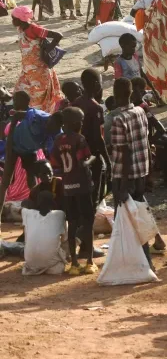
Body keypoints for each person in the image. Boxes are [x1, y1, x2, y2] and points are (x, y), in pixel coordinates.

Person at [109, 78, 154, 267]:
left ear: (115, 94)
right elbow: (146, 141)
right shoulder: (140, 111)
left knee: (128, 220)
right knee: (138, 215)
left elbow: (124, 153)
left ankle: (143, 262)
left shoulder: (118, 119)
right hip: (141, 172)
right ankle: (141, 259)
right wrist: (149, 174)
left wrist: (123, 186)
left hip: (124, 175)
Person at [50, 107, 97, 275]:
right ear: (77, 123)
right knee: (88, 221)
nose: (83, 124)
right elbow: (84, 160)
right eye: (82, 121)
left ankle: (74, 264)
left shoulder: (58, 140)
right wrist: (94, 158)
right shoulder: (80, 139)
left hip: (68, 187)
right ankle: (90, 261)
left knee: (73, 222)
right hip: (82, 186)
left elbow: (55, 164)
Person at [131, 0, 167, 105]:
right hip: (164, 42)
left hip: (151, 40)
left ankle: (154, 96)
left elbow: (133, 13)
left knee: (151, 68)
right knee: (164, 68)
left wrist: (147, 15)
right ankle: (165, 97)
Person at [72, 68, 110, 218]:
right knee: (93, 193)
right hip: (93, 155)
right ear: (96, 84)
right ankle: (87, 228)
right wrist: (107, 160)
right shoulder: (96, 108)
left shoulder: (75, 103)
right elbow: (98, 138)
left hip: (77, 154)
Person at [10, 7, 64, 113]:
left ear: (20, 19)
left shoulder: (33, 29)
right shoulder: (21, 28)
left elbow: (58, 35)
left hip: (39, 71)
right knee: (20, 94)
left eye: (13, 18)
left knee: (38, 101)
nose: (12, 21)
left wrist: (48, 50)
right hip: (27, 70)